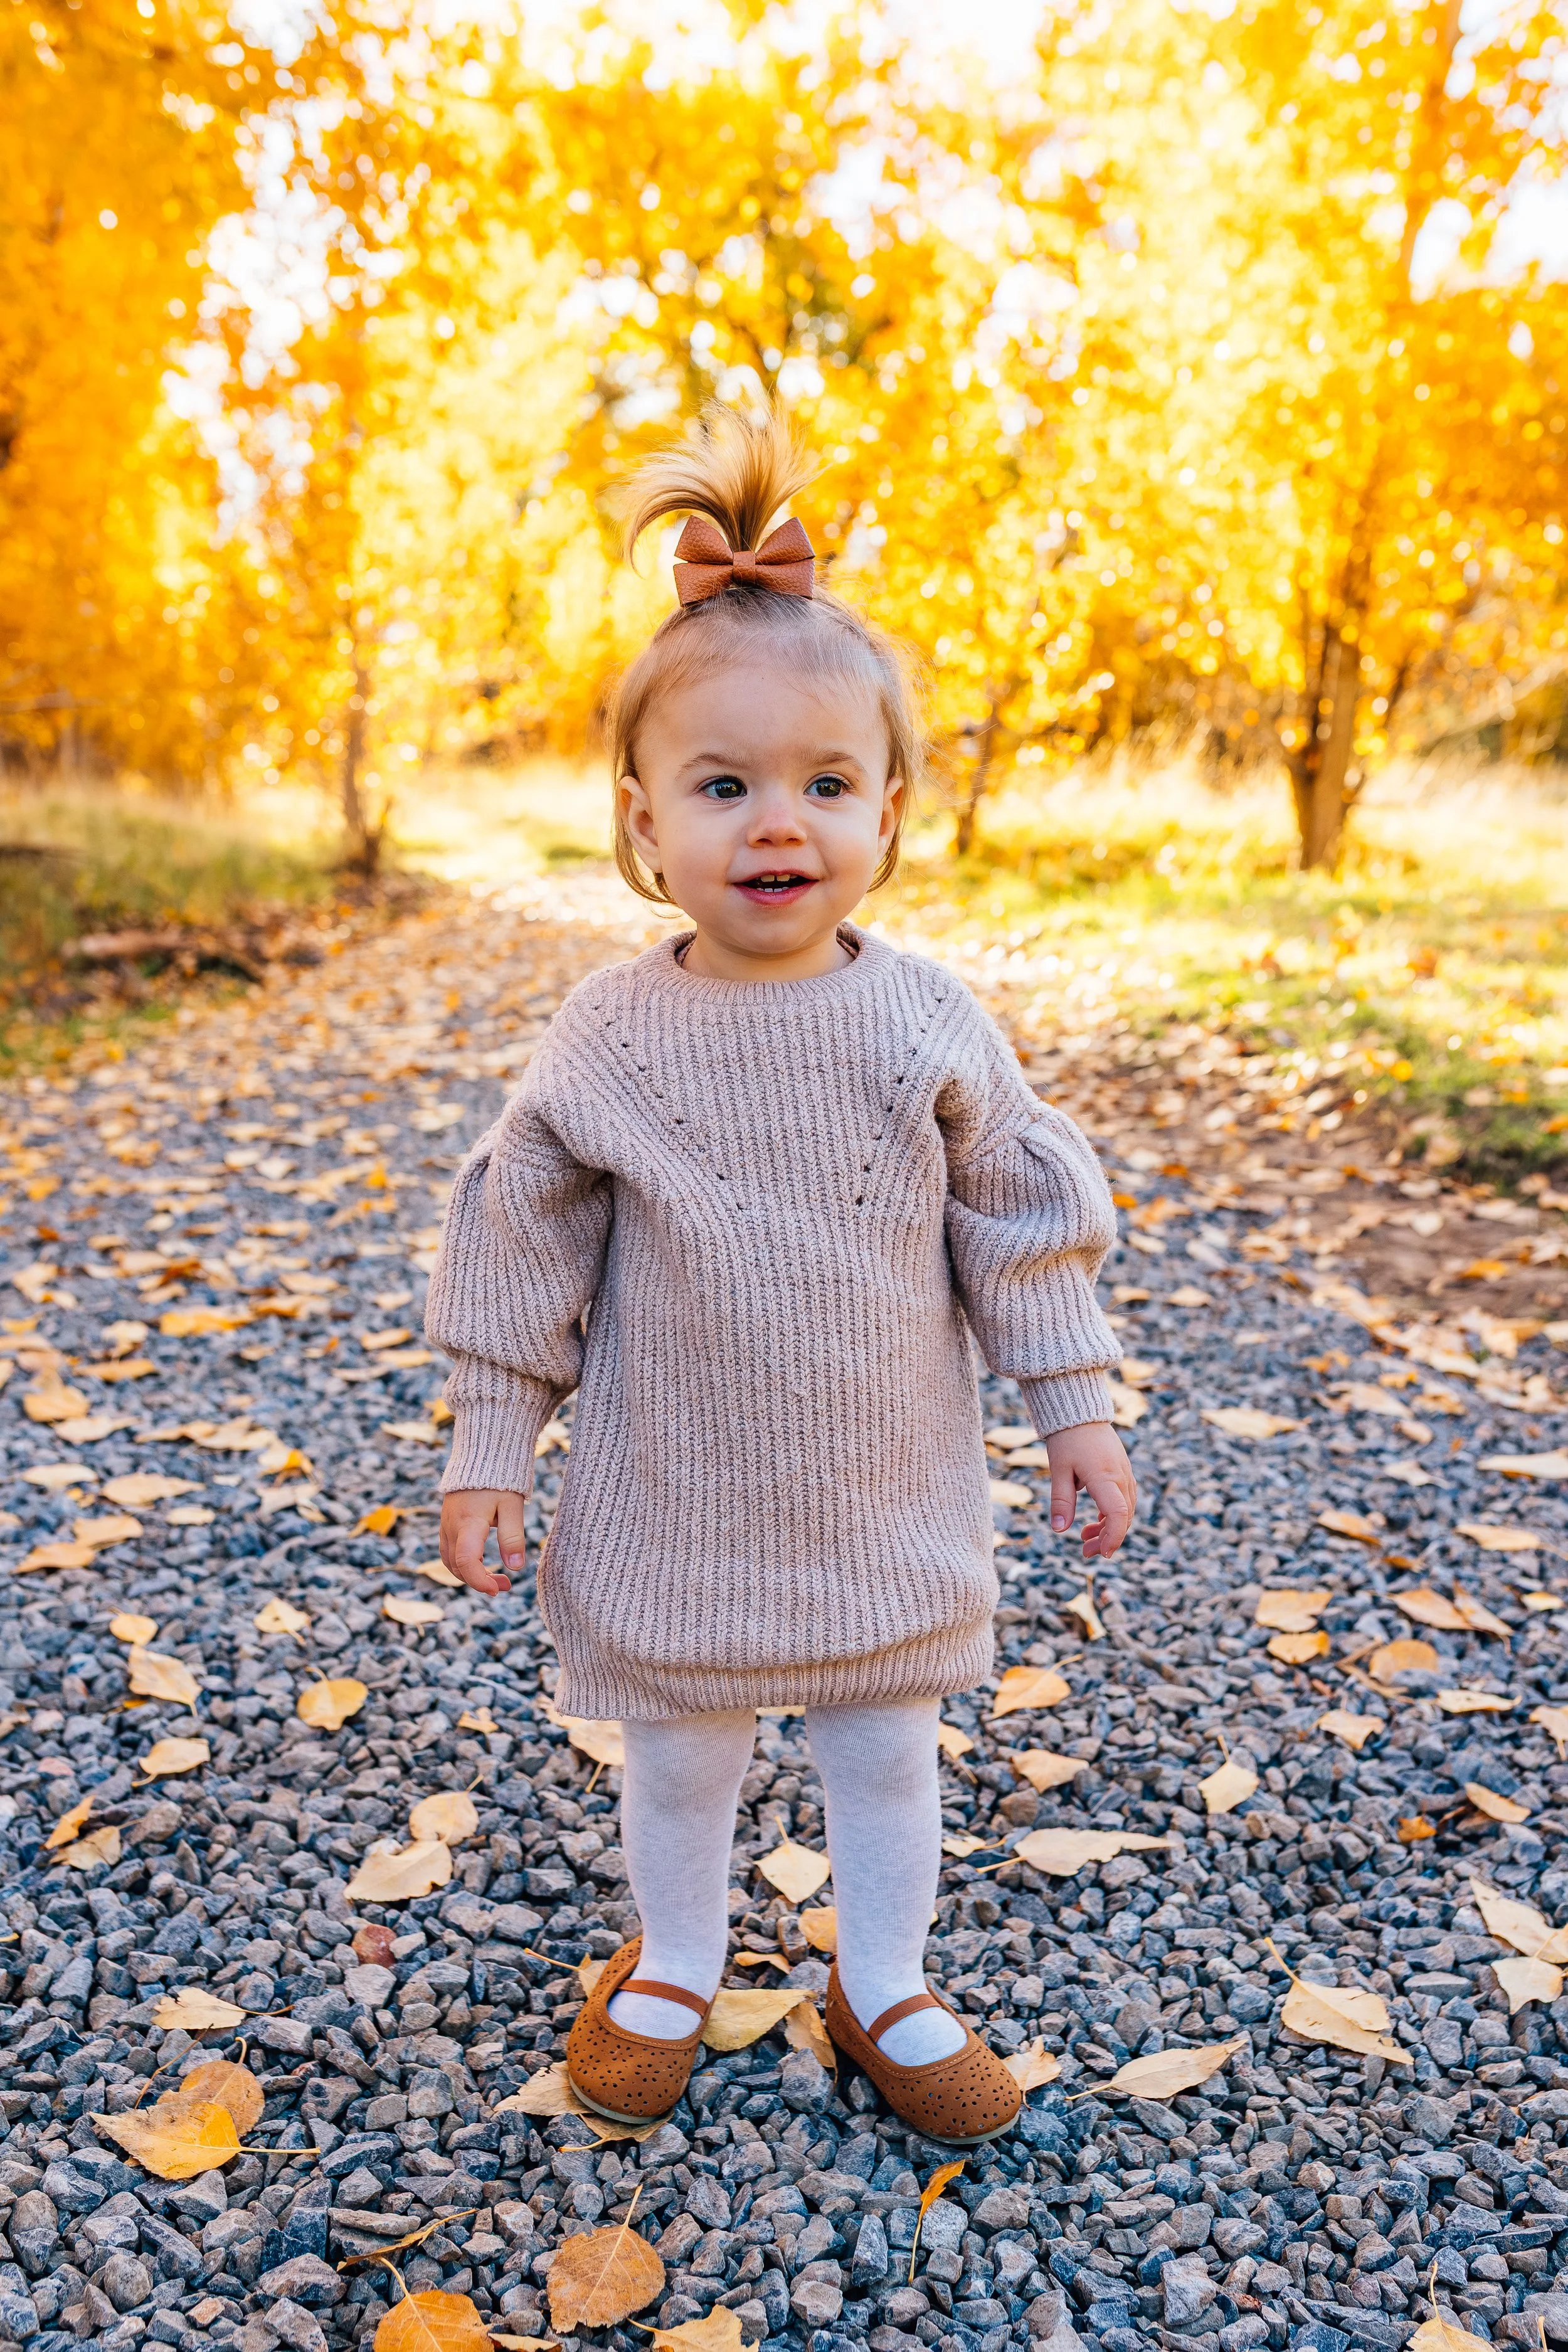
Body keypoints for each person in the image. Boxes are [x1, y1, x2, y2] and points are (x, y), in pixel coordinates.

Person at [426, 404, 1136, 2144]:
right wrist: (485, 1441)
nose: (777, 823)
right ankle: (672, 1951)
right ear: (643, 818)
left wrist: (1076, 1408)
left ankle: (881, 1971)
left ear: (889, 812)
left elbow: (1019, 1222)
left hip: (884, 1478)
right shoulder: (611, 1034)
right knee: (683, 1731)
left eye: (825, 783)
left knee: (885, 1732)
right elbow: (522, 1235)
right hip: (675, 1480)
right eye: (723, 782)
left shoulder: (920, 1021)